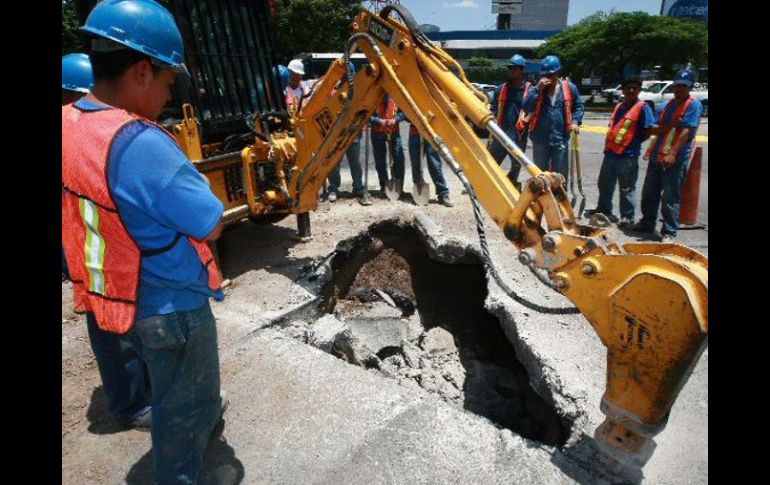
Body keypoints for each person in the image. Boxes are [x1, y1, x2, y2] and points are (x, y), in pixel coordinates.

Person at [62, 1, 232, 483]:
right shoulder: (140, 142)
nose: (167, 94)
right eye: (167, 82)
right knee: (181, 414)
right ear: (141, 71)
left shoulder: (69, 122)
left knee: (173, 394)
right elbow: (211, 223)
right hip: (169, 307)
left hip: (116, 298)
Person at [62, 52, 153, 431]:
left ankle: (139, 389)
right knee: (112, 326)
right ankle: (131, 404)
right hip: (88, 248)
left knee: (121, 321)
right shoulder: (71, 130)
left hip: (94, 245)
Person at [631, 68, 703, 242]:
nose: (679, 90)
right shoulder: (666, 106)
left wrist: (672, 153)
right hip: (657, 156)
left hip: (675, 160)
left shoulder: (693, 105)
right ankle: (647, 223)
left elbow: (686, 131)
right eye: (677, 86)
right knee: (650, 193)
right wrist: (671, 124)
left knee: (670, 197)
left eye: (683, 87)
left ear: (690, 88)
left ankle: (669, 232)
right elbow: (653, 128)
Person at [585, 69, 655, 226]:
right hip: (611, 153)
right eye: (628, 88)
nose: (631, 90)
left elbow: (648, 130)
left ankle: (627, 217)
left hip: (628, 155)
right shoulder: (619, 106)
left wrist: (634, 143)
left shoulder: (643, 108)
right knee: (604, 183)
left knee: (627, 188)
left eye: (635, 88)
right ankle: (604, 210)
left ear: (639, 90)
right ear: (623, 90)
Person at [522, 55, 584, 180]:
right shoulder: (536, 89)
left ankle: (559, 198)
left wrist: (575, 121)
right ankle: (541, 199)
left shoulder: (569, 88)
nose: (546, 79)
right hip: (539, 139)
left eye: (550, 75)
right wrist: (537, 89)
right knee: (540, 176)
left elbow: (579, 106)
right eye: (544, 75)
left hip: (560, 139)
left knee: (559, 177)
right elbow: (526, 107)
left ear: (557, 73)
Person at [326, 62, 368, 204]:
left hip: (353, 131)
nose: (346, 77)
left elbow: (363, 107)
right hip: (337, 132)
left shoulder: (358, 90)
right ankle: (333, 187)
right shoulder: (334, 90)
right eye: (345, 75)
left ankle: (358, 187)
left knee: (355, 161)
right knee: (334, 162)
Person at [489, 54, 532, 189]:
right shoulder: (501, 89)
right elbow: (494, 108)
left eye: (514, 68)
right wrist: (492, 118)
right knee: (491, 164)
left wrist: (527, 119)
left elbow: (534, 109)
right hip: (501, 134)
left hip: (519, 136)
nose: (511, 70)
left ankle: (511, 187)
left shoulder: (530, 90)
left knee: (516, 166)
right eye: (510, 68)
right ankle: (487, 187)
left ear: (521, 70)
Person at [406, 121, 453, 206]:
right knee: (416, 166)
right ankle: (419, 193)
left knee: (435, 165)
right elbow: (403, 114)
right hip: (415, 134)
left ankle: (443, 194)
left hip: (430, 134)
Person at [370, 94, 406, 196]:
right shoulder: (373, 95)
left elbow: (405, 112)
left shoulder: (397, 95)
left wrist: (396, 119)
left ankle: (399, 187)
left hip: (394, 132)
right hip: (377, 133)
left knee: (399, 160)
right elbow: (366, 114)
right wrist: (378, 120)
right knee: (380, 161)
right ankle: (384, 187)